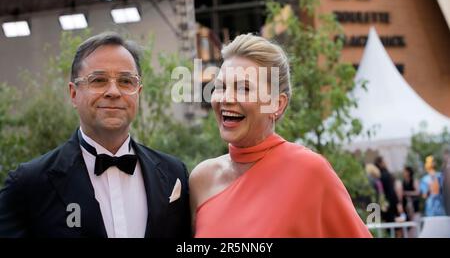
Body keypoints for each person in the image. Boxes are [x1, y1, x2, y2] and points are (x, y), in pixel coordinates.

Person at [0, 32, 190, 237]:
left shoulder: (174, 174)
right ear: (73, 94)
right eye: (98, 80)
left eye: (126, 81)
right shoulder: (29, 184)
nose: (114, 92)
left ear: (139, 93)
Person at [189, 34, 371, 238]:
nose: (226, 98)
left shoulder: (310, 172)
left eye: (244, 88)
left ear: (277, 103)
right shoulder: (201, 180)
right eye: (221, 87)